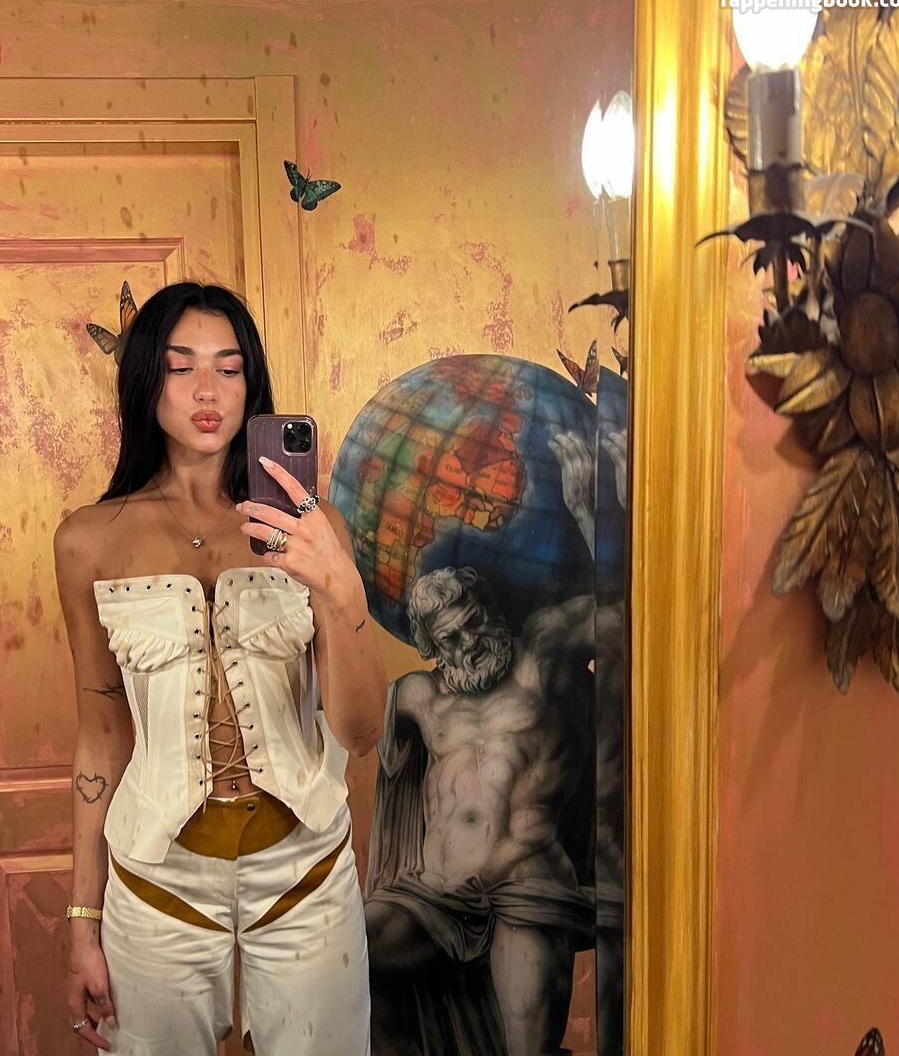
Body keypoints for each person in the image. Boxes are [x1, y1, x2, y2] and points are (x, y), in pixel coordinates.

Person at [53, 282, 386, 1055]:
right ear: (147, 381)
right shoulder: (87, 541)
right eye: (182, 367)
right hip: (156, 881)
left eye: (229, 369)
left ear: (251, 385)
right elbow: (101, 736)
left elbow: (361, 732)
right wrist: (81, 922)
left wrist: (339, 588)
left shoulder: (314, 529)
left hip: (305, 871)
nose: (209, 390)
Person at [363, 430, 601, 1056]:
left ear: (490, 608)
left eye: (474, 621)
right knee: (346, 960)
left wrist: (587, 513)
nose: (470, 642)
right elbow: (346, 712)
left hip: (526, 889)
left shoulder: (540, 658)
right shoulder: (419, 696)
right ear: (431, 647)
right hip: (435, 894)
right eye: (451, 638)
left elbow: (628, 617)